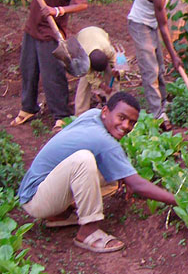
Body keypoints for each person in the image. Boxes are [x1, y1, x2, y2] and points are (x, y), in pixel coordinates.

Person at [17, 92, 177, 253]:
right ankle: (89, 232)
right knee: (84, 160)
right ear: (106, 111)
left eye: (132, 122)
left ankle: (60, 215)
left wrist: (123, 175)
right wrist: (178, 201)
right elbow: (136, 185)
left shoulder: (93, 115)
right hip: (36, 199)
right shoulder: (103, 140)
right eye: (121, 117)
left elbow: (119, 168)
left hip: (43, 188)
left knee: (111, 173)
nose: (126, 126)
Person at [9, 0, 88, 132]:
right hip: (32, 26)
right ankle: (28, 108)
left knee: (52, 75)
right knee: (28, 70)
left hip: (51, 33)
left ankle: (61, 115)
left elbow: (81, 4)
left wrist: (57, 10)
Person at [127, 0, 182, 131]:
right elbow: (164, 26)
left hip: (151, 25)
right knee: (150, 69)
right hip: (140, 25)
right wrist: (173, 55)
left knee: (159, 65)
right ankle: (157, 115)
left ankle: (164, 103)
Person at [74, 27, 118, 116]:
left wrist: (117, 72)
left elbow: (121, 63)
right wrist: (103, 86)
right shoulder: (83, 58)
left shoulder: (108, 50)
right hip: (82, 36)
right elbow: (90, 77)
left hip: (99, 33)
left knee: (113, 79)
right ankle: (80, 114)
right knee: (84, 81)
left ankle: (113, 108)